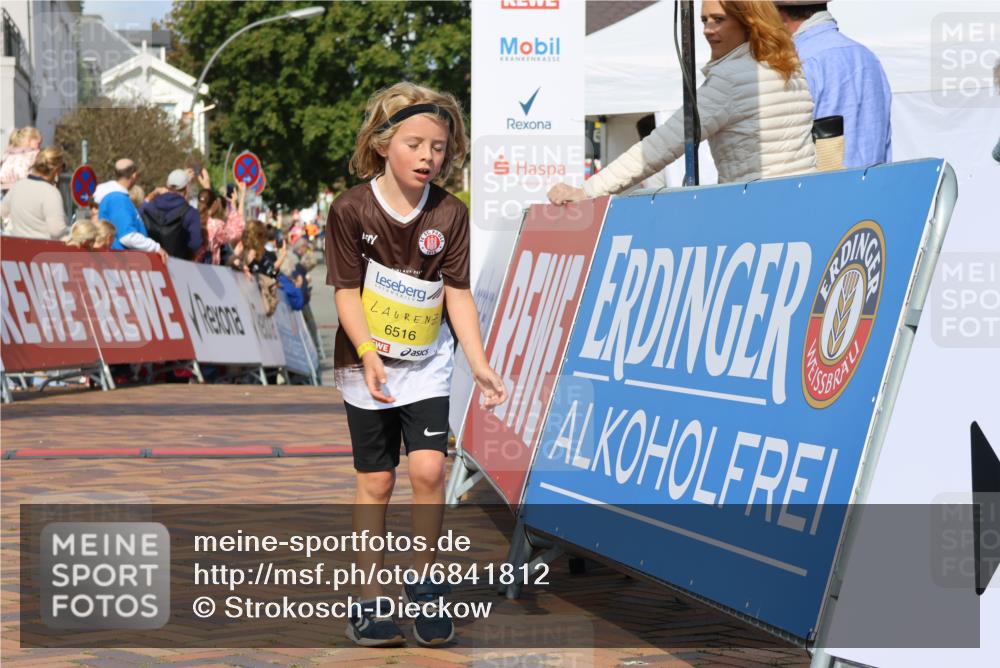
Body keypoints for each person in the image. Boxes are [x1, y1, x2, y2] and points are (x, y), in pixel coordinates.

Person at [327, 82, 507, 648]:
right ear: (383, 144)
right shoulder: (349, 209)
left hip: (427, 364)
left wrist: (477, 362)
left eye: (439, 147)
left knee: (429, 471)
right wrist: (367, 351)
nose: (428, 156)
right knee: (377, 480)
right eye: (415, 143)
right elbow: (346, 293)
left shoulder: (451, 214)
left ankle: (427, 586)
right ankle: (368, 598)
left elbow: (457, 295)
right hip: (366, 366)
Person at [549, 0, 815, 204]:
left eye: (718, 20)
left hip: (756, 211)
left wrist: (587, 191)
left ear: (748, 22)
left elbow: (658, 147)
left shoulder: (731, 80)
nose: (708, 30)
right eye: (703, 21)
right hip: (801, 202)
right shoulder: (788, 66)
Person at [774, 1, 892, 168]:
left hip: (822, 189)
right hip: (874, 188)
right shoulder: (867, 56)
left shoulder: (795, 63)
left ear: (780, 14)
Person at [97, 159, 167, 260]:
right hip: (121, 261)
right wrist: (155, 247)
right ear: (134, 175)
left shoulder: (117, 197)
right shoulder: (118, 199)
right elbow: (127, 236)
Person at [1, 147, 69, 240]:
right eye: (63, 166)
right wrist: (70, 231)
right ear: (56, 169)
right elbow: (56, 230)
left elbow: (2, 212)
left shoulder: (18, 186)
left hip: (17, 248)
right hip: (42, 249)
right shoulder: (51, 193)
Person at [140, 168, 203, 259]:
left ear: (166, 185)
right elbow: (195, 244)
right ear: (186, 188)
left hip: (150, 262)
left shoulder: (149, 206)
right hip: (177, 265)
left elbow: (137, 219)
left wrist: (152, 195)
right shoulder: (190, 212)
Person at [195, 181, 246, 265]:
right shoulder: (216, 225)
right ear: (215, 204)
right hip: (209, 271)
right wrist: (238, 201)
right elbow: (238, 230)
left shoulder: (191, 219)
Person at [0, 126, 42, 192]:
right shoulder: (32, 155)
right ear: (29, 140)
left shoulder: (8, 154)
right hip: (25, 188)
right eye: (38, 143)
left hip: (5, 189)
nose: (39, 147)